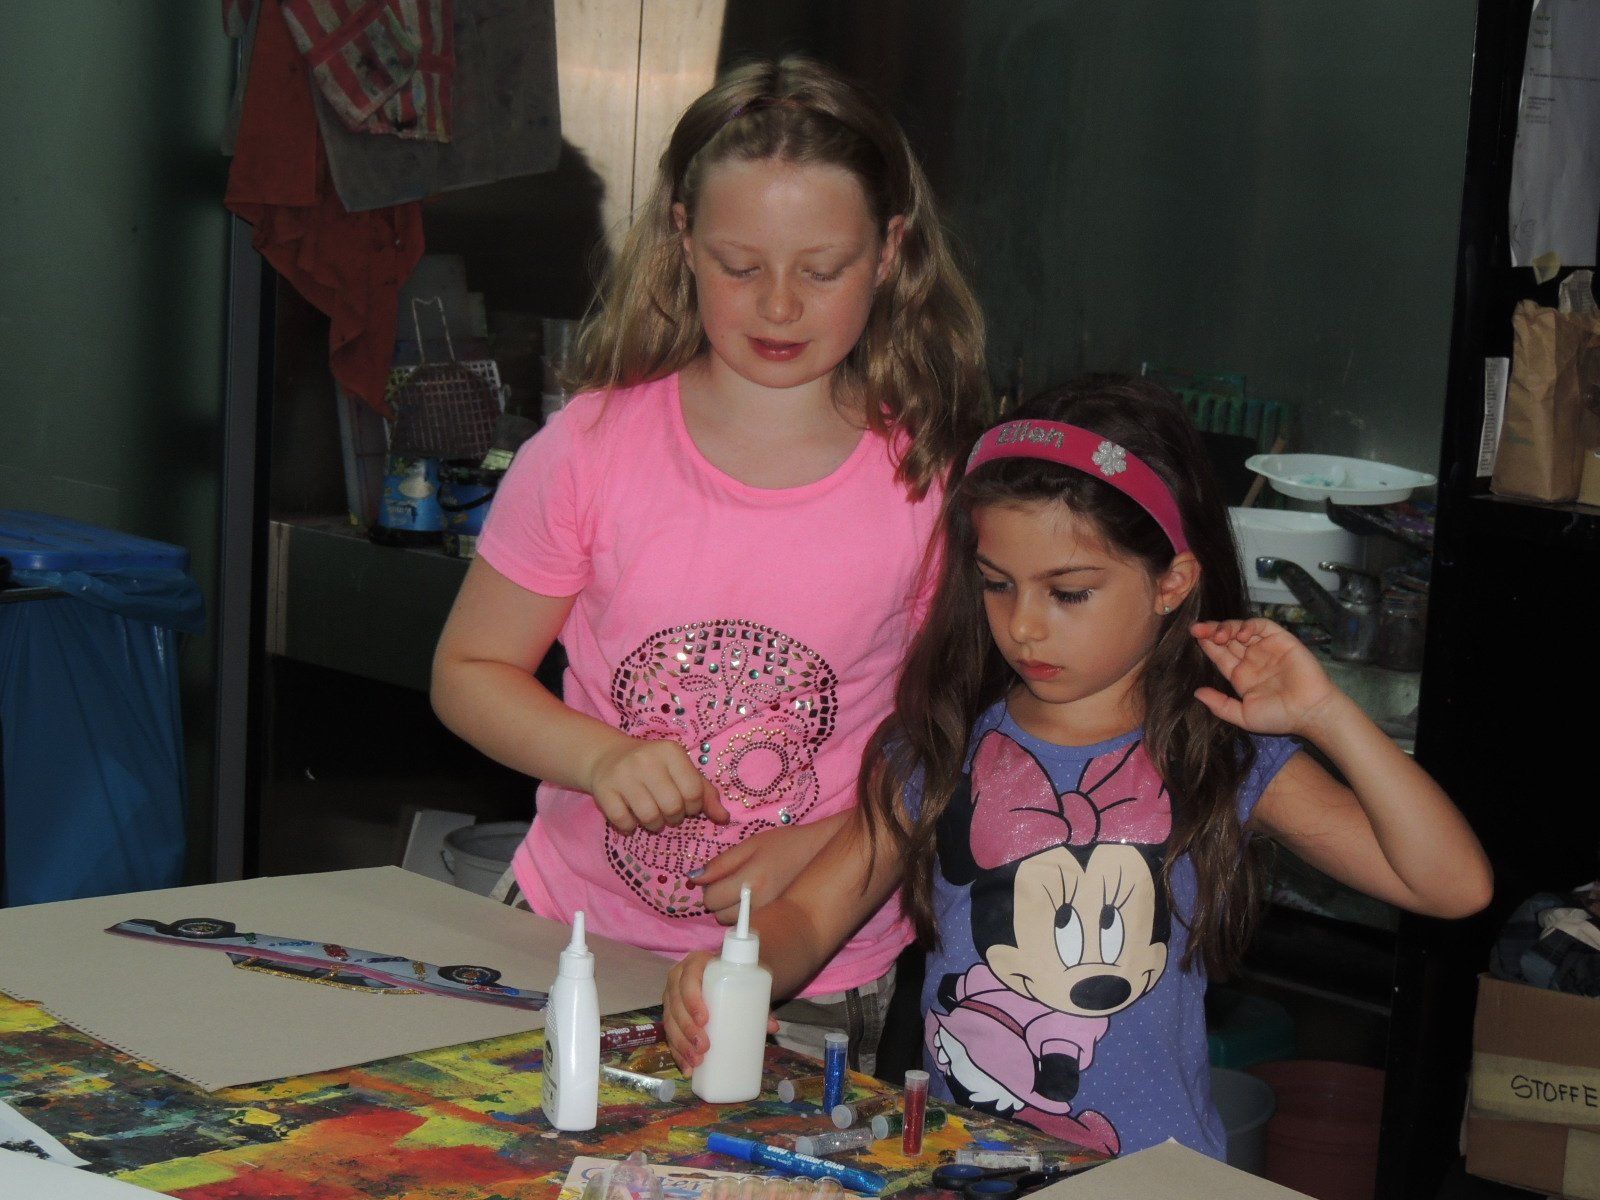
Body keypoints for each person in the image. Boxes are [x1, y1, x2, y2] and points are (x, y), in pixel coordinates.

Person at [663, 376, 1491, 1157]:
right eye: (997, 585)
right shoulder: (941, 748)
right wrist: (735, 970)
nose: (1024, 626)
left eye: (1070, 592)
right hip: (970, 1167)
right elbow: (810, 917)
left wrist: (1327, 716)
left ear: (1172, 583)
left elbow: (1453, 886)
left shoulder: (1217, 755)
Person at [431, 56, 987, 1073]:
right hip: (568, 938)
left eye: (821, 270)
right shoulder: (589, 450)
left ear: (890, 252)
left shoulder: (928, 485)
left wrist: (827, 845)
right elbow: (468, 673)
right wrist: (598, 758)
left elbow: (947, 737)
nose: (778, 305)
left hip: (816, 975)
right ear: (683, 240)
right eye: (739, 265)